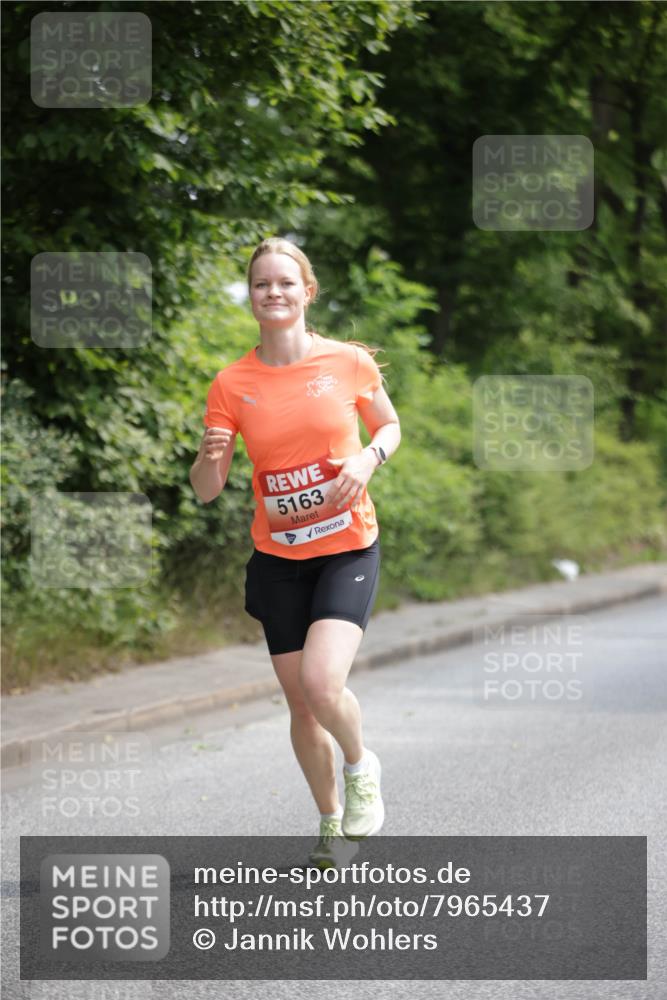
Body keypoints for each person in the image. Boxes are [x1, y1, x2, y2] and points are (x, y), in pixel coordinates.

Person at [190, 237, 401, 867]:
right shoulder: (231, 383)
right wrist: (206, 458)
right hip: (278, 559)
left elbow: (389, 426)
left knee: (320, 680)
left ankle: (362, 766)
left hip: (346, 548)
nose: (273, 293)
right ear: (251, 298)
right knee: (301, 705)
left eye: (285, 282)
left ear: (306, 292)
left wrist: (368, 458)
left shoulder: (349, 363)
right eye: (261, 285)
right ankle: (331, 824)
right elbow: (207, 492)